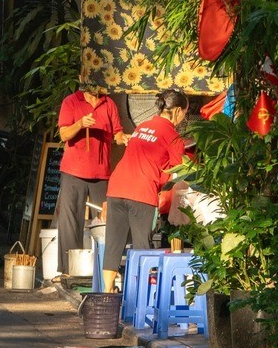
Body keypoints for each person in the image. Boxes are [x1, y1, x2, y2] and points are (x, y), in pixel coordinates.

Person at [101, 88, 190, 292]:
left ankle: (107, 293)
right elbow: (178, 173)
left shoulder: (143, 127)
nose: (184, 118)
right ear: (176, 111)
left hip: (116, 188)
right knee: (142, 246)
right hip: (141, 192)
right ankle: (141, 295)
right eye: (185, 113)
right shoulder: (174, 137)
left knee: (114, 243)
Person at [56, 83, 127, 277]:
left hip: (101, 172)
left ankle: (107, 270)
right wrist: (80, 124)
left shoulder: (108, 103)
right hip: (73, 170)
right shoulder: (71, 101)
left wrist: (127, 138)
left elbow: (117, 134)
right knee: (70, 221)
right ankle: (68, 270)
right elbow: (64, 134)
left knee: (106, 221)